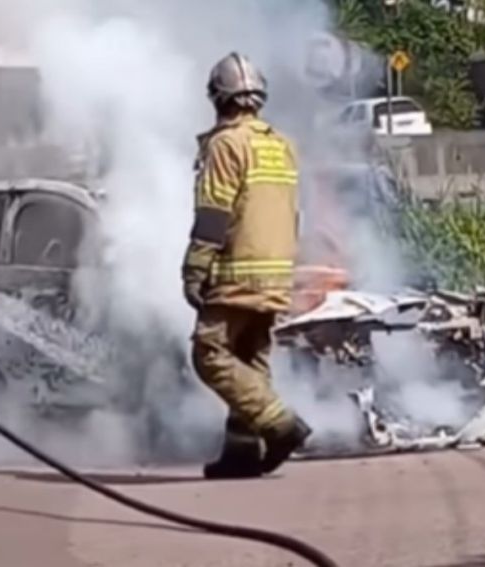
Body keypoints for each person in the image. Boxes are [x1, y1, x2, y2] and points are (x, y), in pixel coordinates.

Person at [182, 52, 312, 480]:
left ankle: (280, 426)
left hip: (237, 270)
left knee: (209, 353)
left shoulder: (226, 144)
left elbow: (214, 212)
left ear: (218, 98)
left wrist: (195, 268)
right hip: (276, 272)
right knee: (249, 356)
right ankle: (240, 453)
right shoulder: (281, 145)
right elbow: (292, 213)